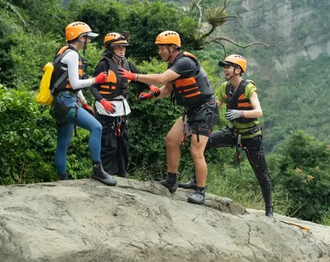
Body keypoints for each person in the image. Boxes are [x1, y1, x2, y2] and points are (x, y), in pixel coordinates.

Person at [119, 30, 218, 205]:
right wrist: (151, 96)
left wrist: (134, 76)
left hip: (205, 111)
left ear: (173, 47)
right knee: (171, 139)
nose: (159, 52)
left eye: (162, 48)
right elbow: (167, 88)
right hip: (192, 111)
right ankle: (171, 180)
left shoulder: (185, 62)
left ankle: (200, 191)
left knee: (196, 151)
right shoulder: (174, 65)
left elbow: (161, 79)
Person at [178, 54, 274, 217]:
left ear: (238, 70)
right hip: (233, 132)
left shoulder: (248, 87)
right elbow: (214, 108)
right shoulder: (225, 87)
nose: (225, 70)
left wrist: (240, 113)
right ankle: (196, 182)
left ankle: (269, 209)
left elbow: (259, 111)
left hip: (251, 136)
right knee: (204, 144)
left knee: (262, 174)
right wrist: (195, 124)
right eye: (225, 67)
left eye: (228, 67)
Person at [50, 21, 116, 186]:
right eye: (87, 37)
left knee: (63, 144)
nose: (89, 41)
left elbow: (69, 84)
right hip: (67, 103)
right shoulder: (72, 55)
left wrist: (85, 103)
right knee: (97, 127)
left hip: (60, 103)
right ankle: (97, 170)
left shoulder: (63, 52)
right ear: (80, 37)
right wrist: (96, 79)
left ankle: (62, 179)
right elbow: (74, 84)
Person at [90, 32, 160, 177]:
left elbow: (138, 76)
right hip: (105, 108)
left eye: (124, 47)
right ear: (110, 48)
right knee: (108, 143)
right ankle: (105, 172)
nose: (122, 50)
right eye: (118, 47)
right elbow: (92, 86)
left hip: (121, 108)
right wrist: (102, 100)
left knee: (122, 142)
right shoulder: (104, 64)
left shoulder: (126, 63)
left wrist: (150, 87)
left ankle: (121, 173)